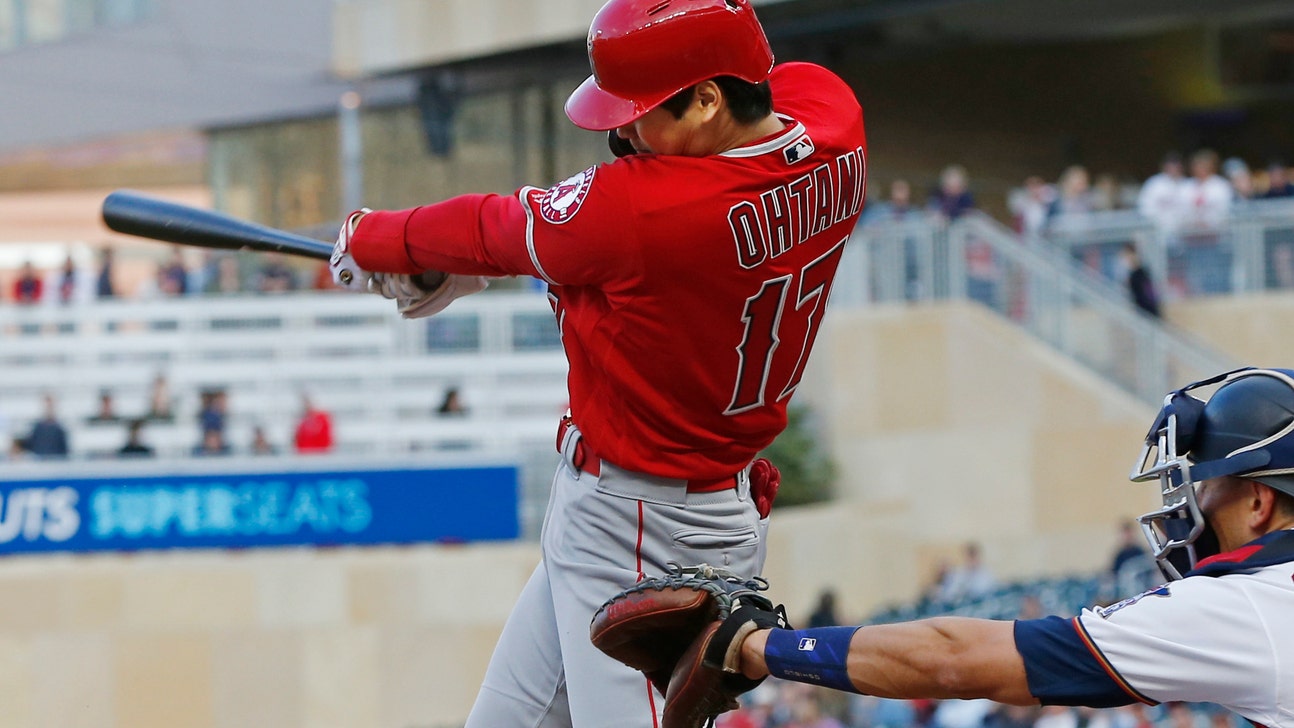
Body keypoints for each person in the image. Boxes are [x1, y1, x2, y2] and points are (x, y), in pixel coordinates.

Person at [327, 0, 867, 724]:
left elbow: (500, 226)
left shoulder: (647, 210)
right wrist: (480, 265)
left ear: (709, 98)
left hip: (648, 529)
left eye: (642, 110)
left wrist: (375, 239)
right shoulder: (835, 120)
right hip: (663, 502)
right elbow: (608, 261)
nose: (622, 131)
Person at [713, 367, 1294, 728]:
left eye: (1211, 484)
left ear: (1257, 502)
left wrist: (759, 648)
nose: (1195, 505)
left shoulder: (1247, 605)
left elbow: (954, 661)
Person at [17, 394, 69, 459]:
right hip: (39, 463)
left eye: (51, 406)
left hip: (55, 463)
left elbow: (64, 451)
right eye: (47, 406)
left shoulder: (60, 430)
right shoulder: (37, 428)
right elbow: (30, 446)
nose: (48, 408)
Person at [1117, 243, 1160, 318]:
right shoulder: (1132, 275)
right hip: (1140, 312)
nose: (1126, 259)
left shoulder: (1142, 273)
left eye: (1127, 255)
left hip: (1148, 312)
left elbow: (1151, 296)